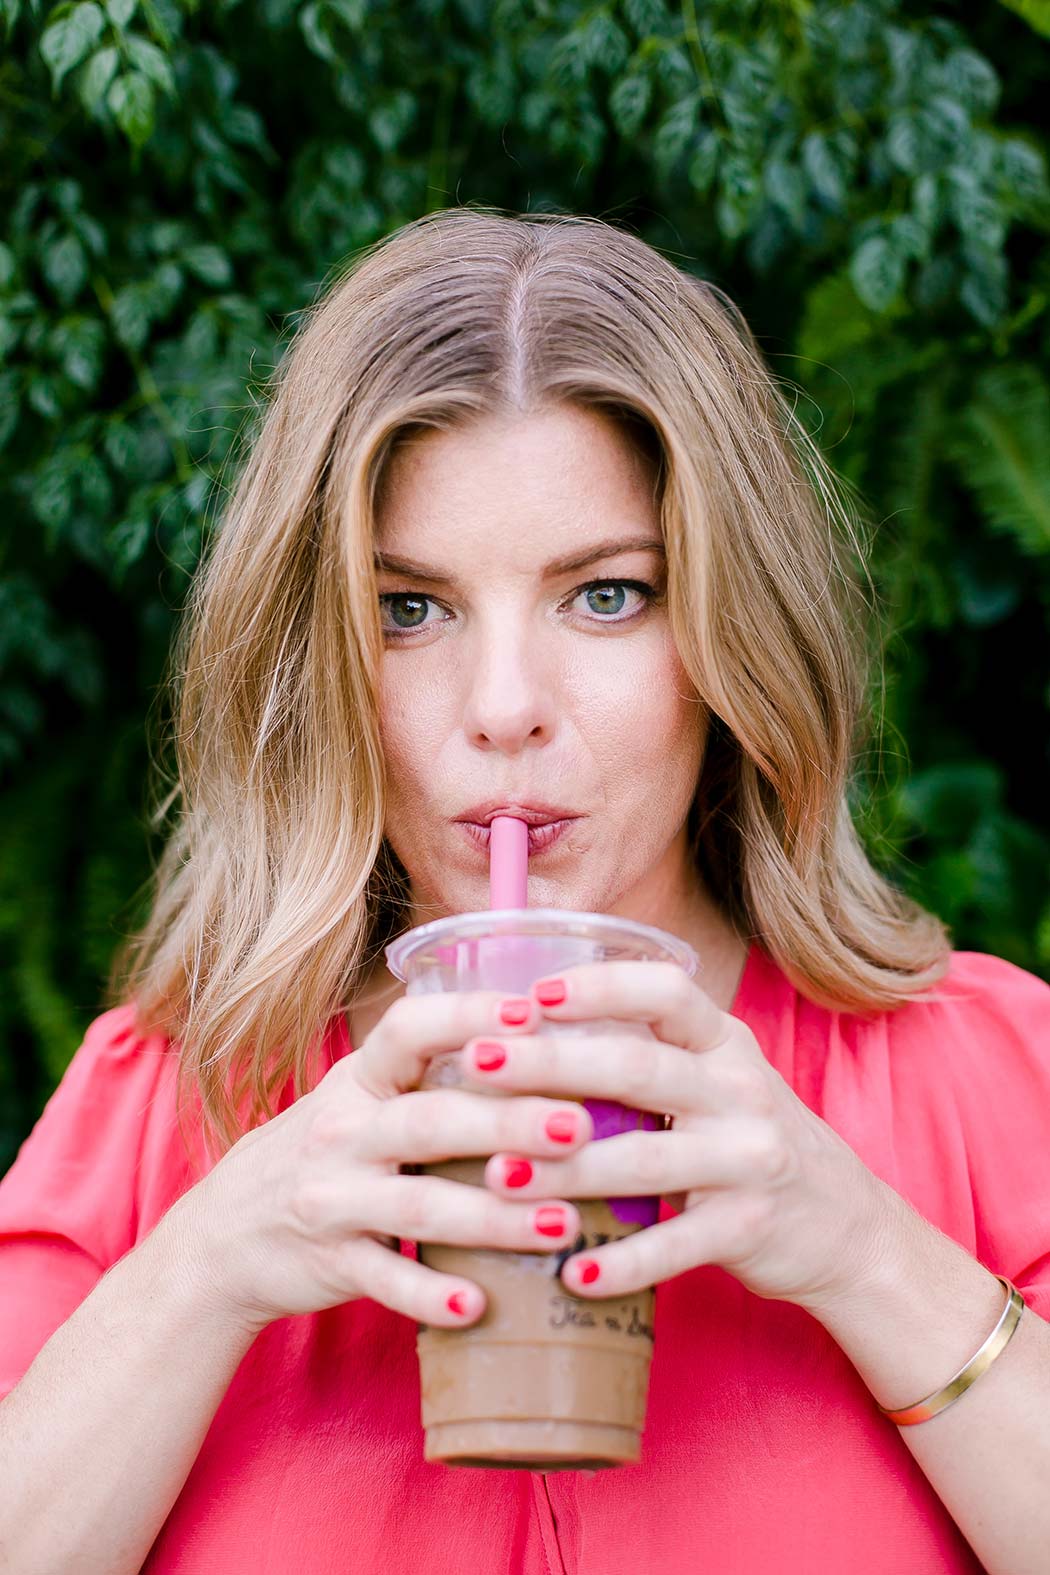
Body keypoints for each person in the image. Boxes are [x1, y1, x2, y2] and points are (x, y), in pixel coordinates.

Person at [1, 206, 1048, 1575]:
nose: (503, 709)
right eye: (407, 610)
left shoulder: (982, 1075)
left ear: (730, 633)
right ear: (315, 656)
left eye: (603, 595)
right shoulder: (168, 1098)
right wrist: (206, 1268)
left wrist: (862, 1251)